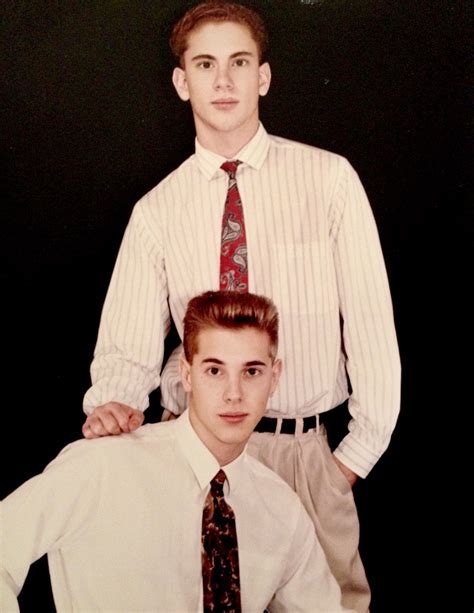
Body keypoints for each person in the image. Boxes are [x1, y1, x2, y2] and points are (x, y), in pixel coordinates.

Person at [81, 2, 401, 611]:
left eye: (238, 62)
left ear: (264, 76)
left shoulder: (328, 180)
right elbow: (125, 352)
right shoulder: (158, 211)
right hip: (194, 452)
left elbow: (371, 329)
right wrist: (114, 406)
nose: (223, 80)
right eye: (205, 64)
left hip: (304, 456)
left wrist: (346, 466)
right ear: (182, 81)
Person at [1, 291, 349, 612]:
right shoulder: (104, 465)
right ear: (186, 374)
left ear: (274, 378)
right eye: (214, 370)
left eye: (251, 371)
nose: (233, 393)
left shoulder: (282, 511)